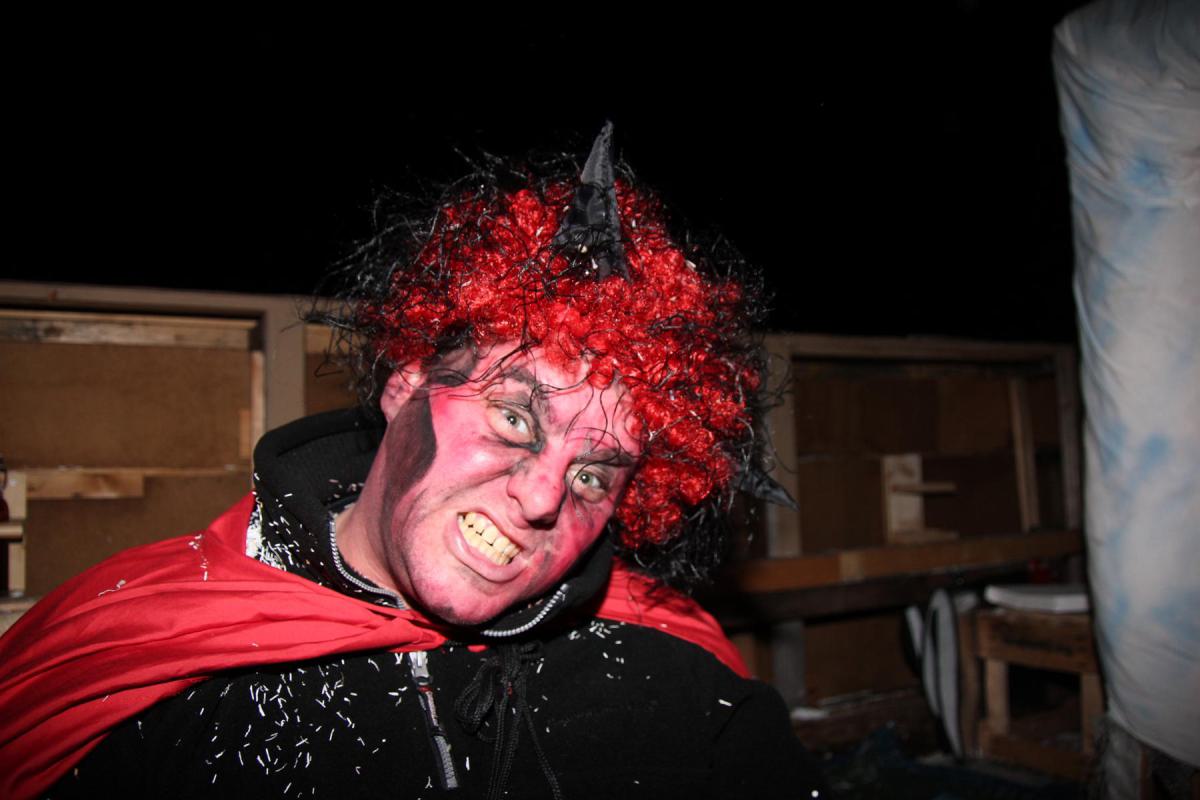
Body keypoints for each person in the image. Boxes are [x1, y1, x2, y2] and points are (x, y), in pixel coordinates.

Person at [0, 125, 824, 799]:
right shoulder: (137, 668)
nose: (543, 496)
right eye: (514, 416)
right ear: (406, 386)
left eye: (592, 475)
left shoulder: (681, 689)